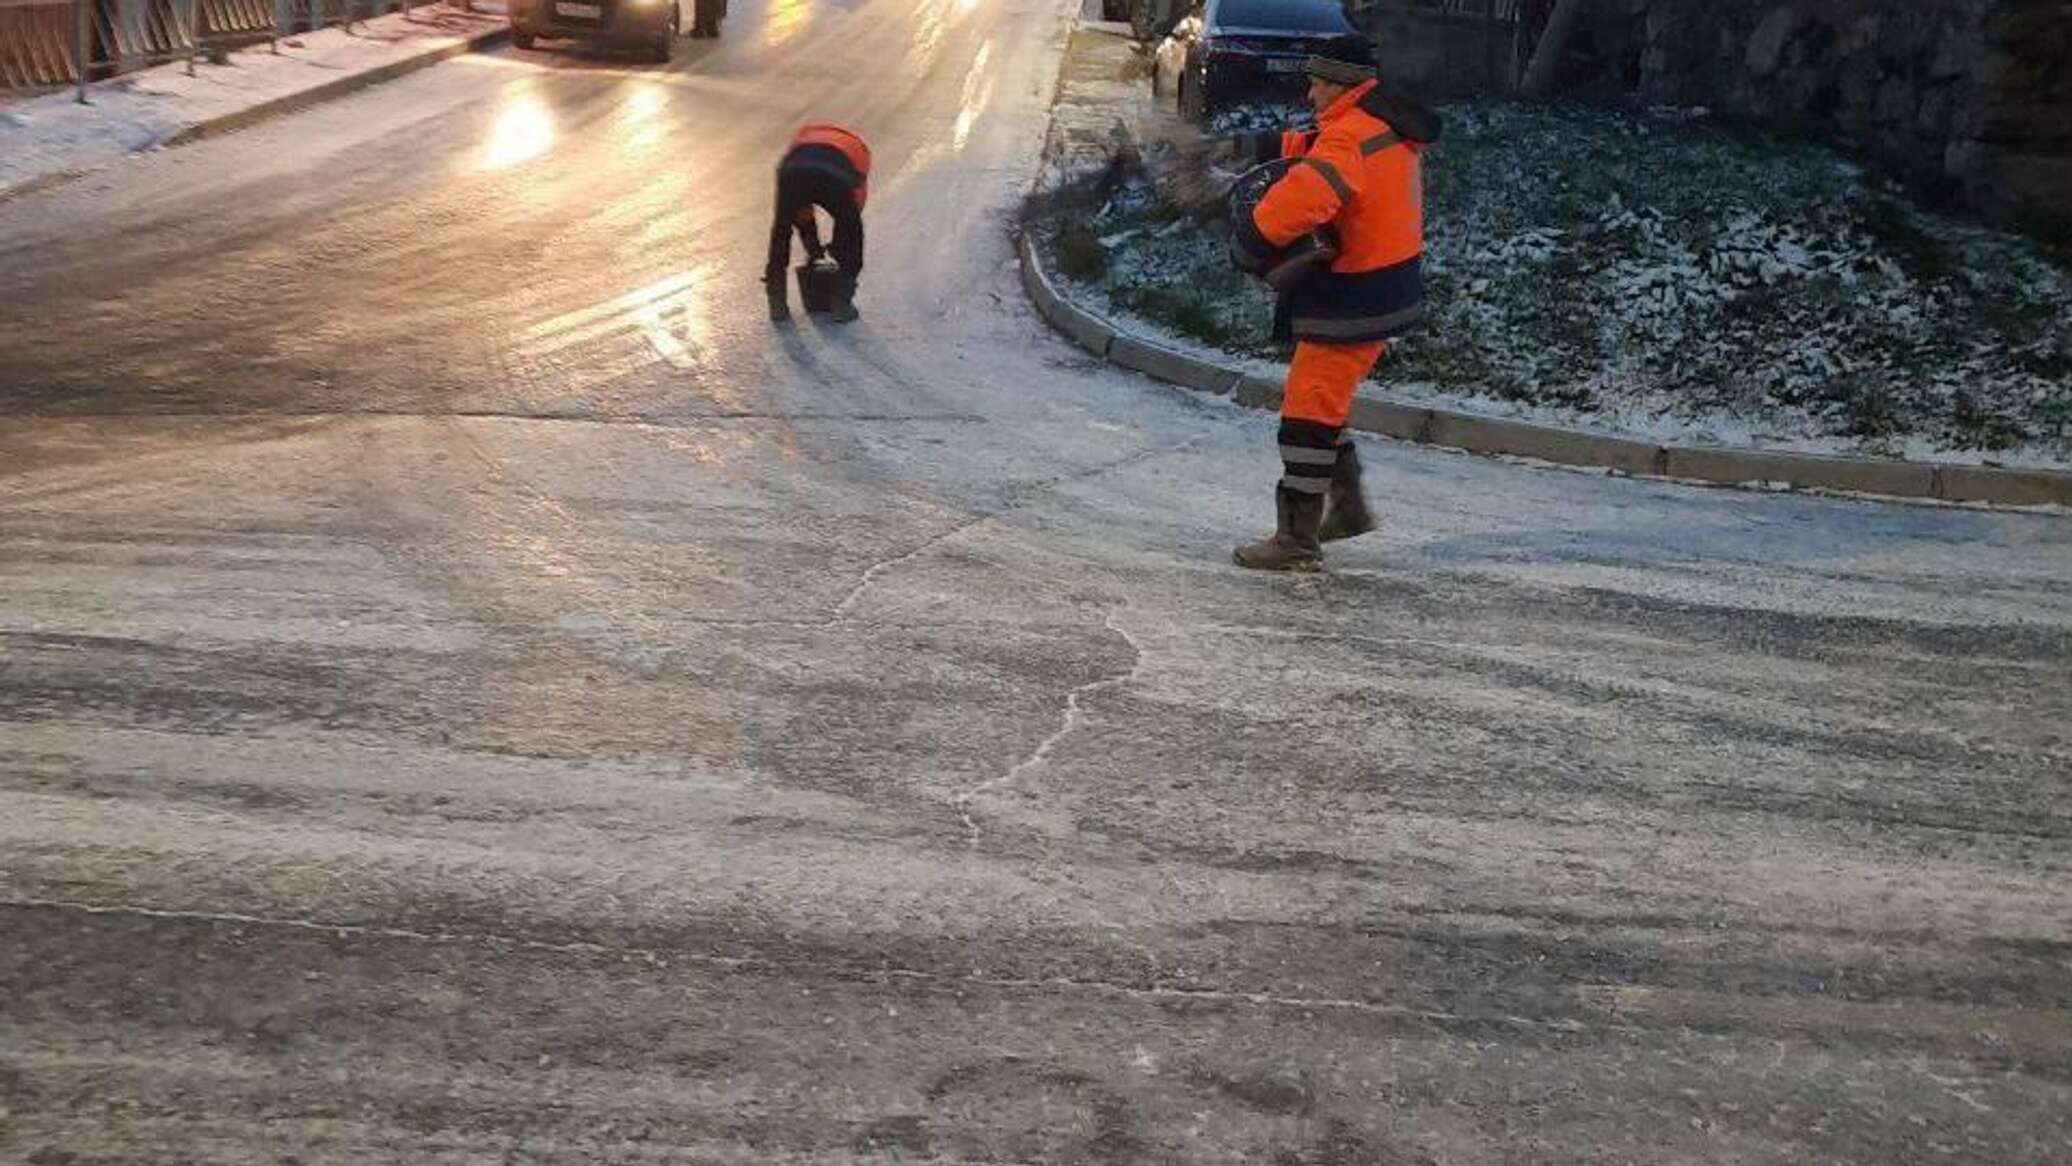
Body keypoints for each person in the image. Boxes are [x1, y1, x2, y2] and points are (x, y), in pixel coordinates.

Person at [1225, 34, 1439, 571]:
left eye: (1318, 81)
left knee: (1306, 412)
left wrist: (1249, 240)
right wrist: (1259, 146)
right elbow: (1317, 148)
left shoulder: (1349, 138)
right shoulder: (1378, 125)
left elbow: (1305, 197)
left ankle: (1297, 537)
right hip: (1381, 288)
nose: (1311, 91)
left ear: (1342, 83)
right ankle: (1347, 507)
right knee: (1322, 404)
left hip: (1353, 295)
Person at [765, 123, 871, 323]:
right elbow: (852, 212)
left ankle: (776, 302)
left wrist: (813, 250)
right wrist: (838, 249)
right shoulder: (860, 150)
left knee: (782, 230)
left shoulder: (805, 136)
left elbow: (802, 212)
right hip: (835, 178)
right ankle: (841, 303)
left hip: (792, 172)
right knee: (853, 232)